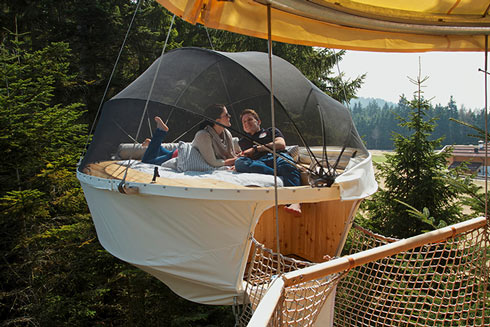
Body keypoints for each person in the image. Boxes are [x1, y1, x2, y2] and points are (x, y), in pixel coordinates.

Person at [235, 109, 302, 216]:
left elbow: (281, 144)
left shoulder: (271, 131)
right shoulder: (242, 142)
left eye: (250, 120)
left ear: (258, 121)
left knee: (286, 164)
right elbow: (243, 157)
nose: (247, 123)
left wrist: (256, 149)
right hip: (259, 162)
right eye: (244, 122)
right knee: (239, 163)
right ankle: (279, 173)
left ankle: (294, 202)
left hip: (277, 156)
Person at [142, 104, 240, 167]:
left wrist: (238, 156)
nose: (229, 117)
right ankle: (160, 131)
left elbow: (230, 155)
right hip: (182, 156)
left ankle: (153, 144)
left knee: (160, 152)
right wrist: (234, 160)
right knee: (147, 162)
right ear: (217, 120)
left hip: (182, 152)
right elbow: (212, 162)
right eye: (226, 115)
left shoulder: (227, 133)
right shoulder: (204, 135)